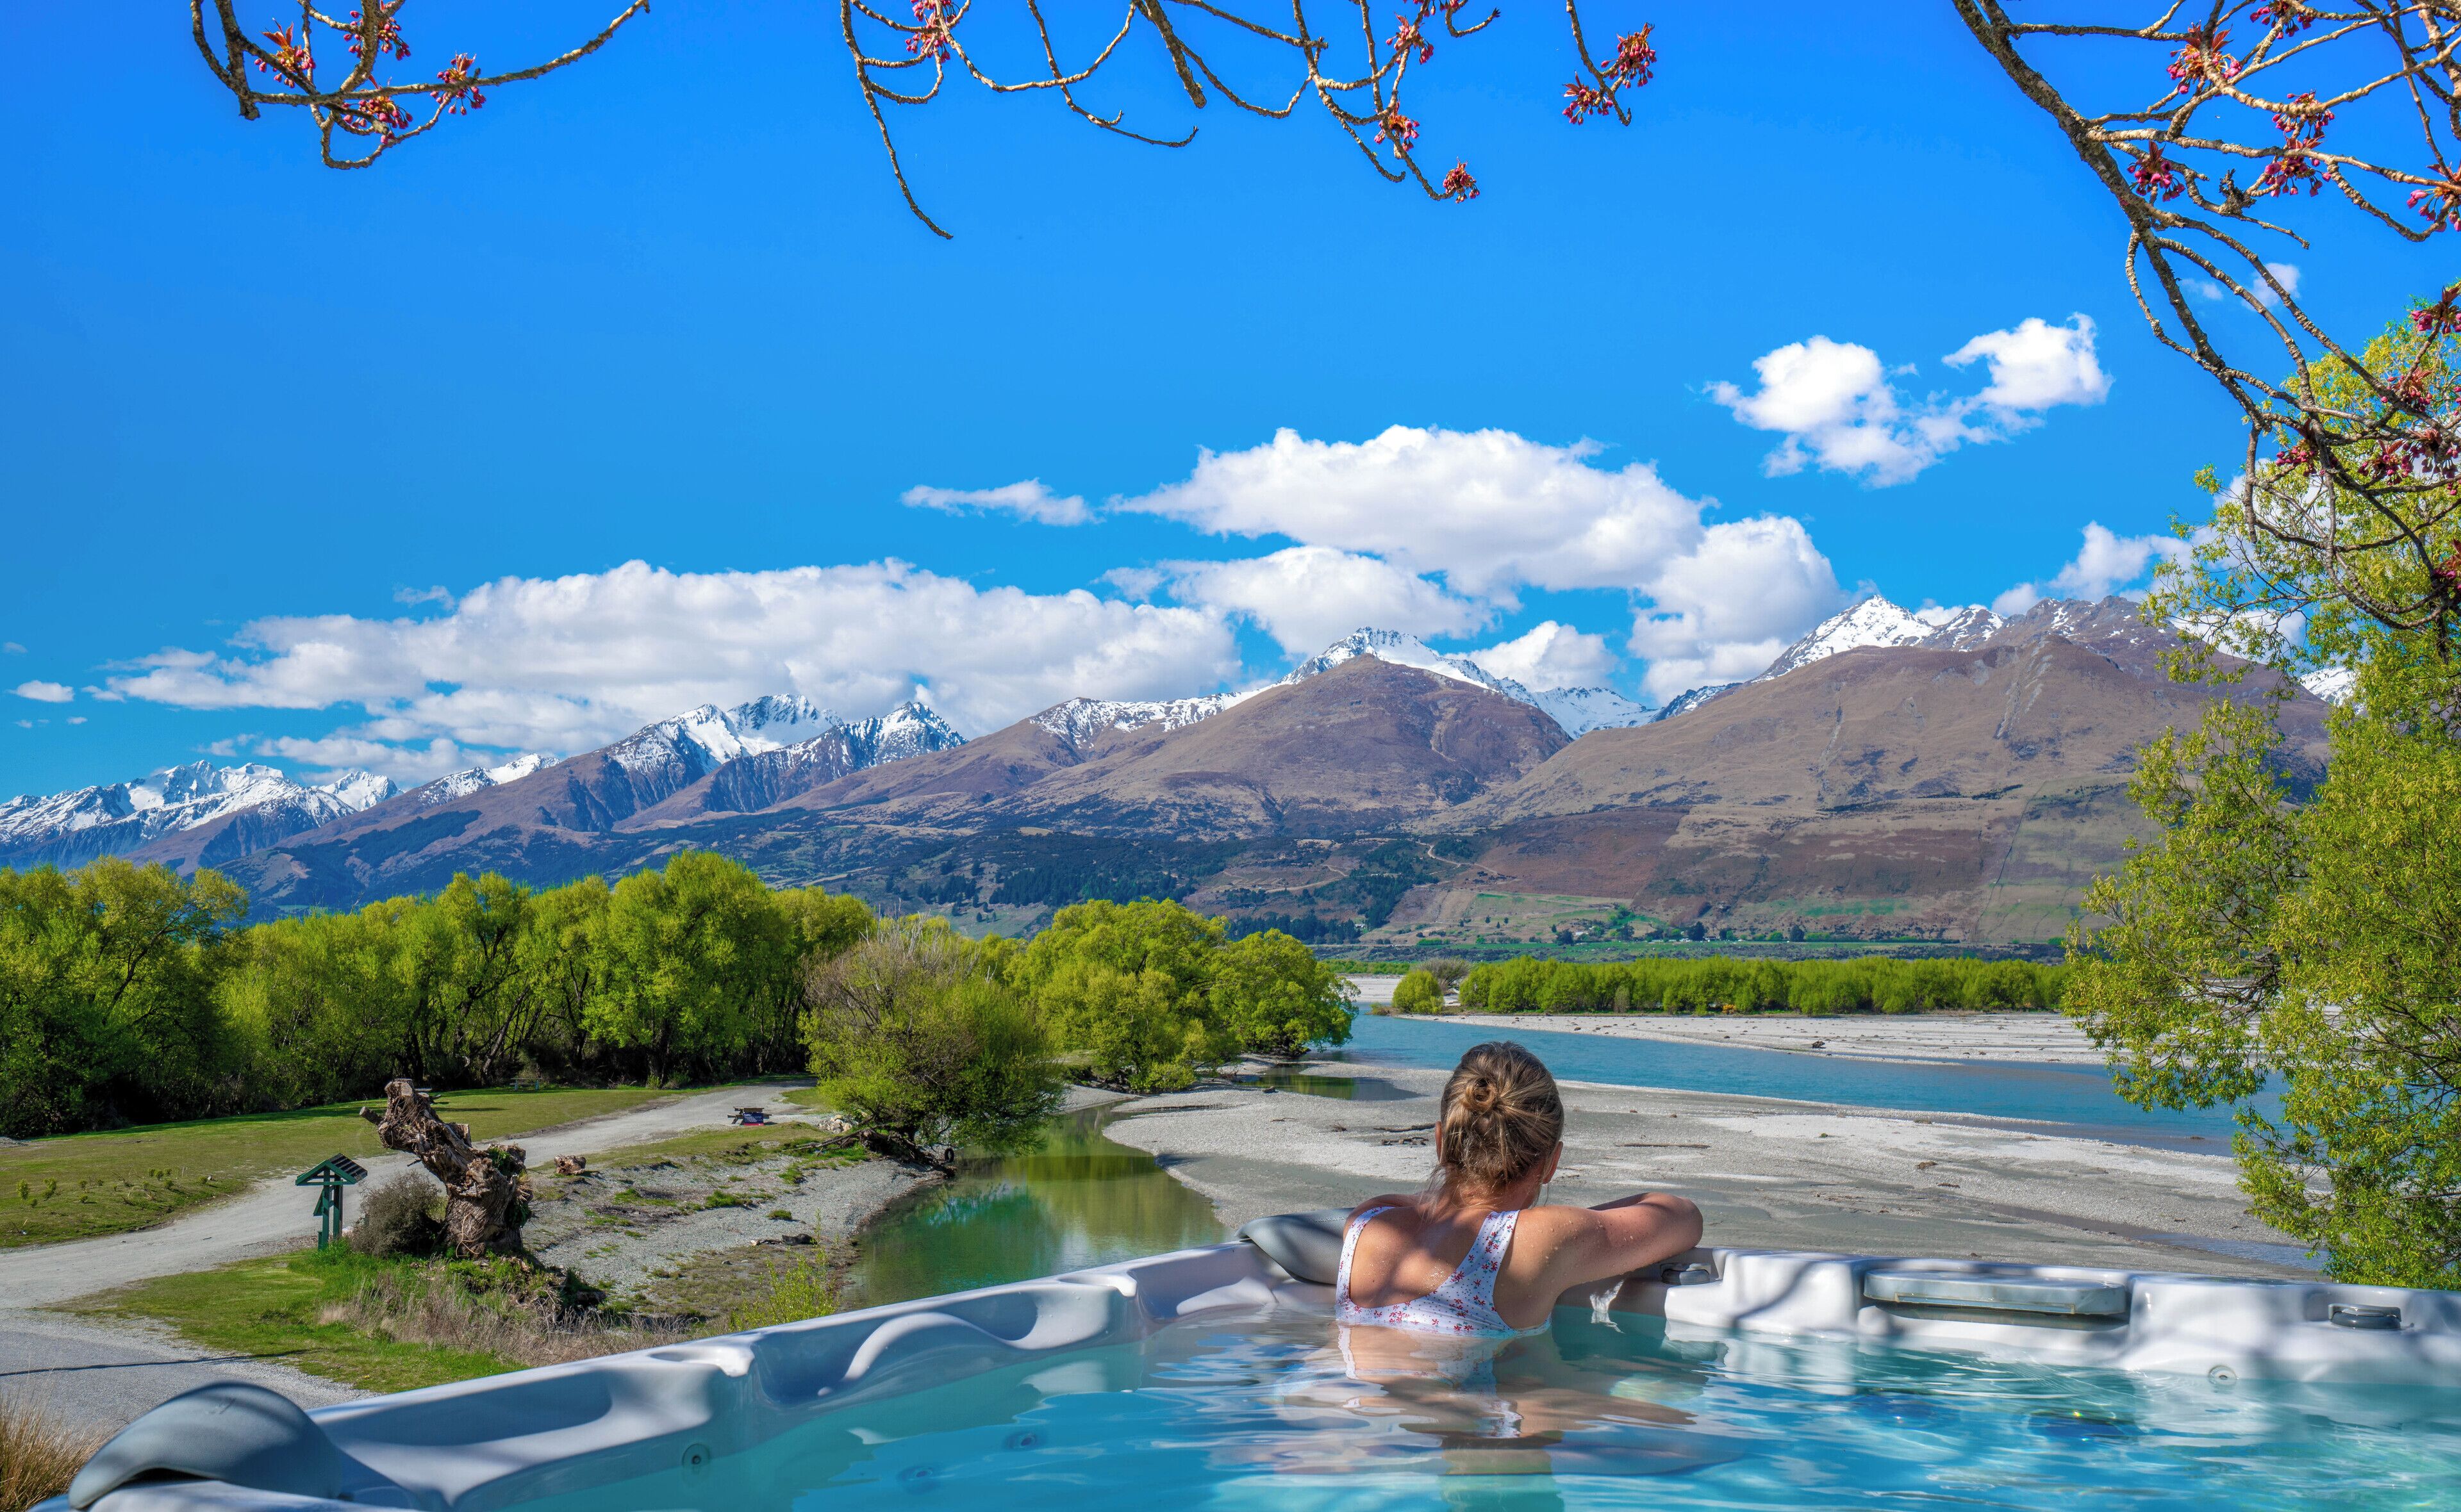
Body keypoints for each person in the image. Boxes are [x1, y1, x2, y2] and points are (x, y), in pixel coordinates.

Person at [1336, 1040, 1701, 1338]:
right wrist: (1572, 1225)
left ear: (1440, 1142)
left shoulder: (1369, 1220)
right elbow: (1683, 1216)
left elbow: (1432, 1208)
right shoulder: (1541, 1238)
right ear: (1551, 1163)